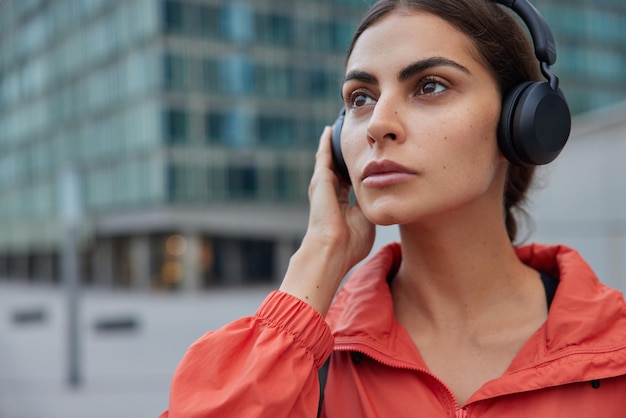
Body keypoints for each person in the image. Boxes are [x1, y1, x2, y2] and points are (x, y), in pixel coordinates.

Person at [160, 0, 626, 416]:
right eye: (360, 98)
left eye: (430, 86)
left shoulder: (615, 351)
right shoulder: (307, 362)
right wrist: (319, 256)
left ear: (521, 123)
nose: (378, 123)